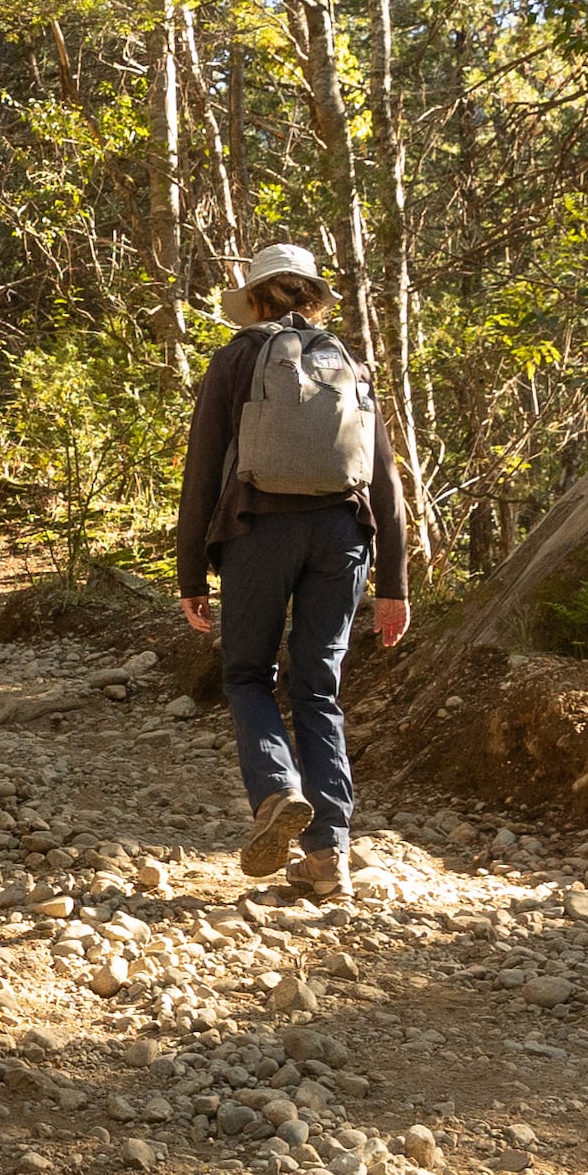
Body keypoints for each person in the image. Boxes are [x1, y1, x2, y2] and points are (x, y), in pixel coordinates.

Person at [177, 243, 409, 900]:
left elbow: (201, 474)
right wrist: (394, 584)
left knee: (248, 673)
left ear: (253, 299)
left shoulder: (235, 358)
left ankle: (277, 790)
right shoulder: (348, 361)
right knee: (317, 688)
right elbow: (385, 479)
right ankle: (328, 853)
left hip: (257, 531)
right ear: (311, 297)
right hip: (343, 535)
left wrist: (190, 572)